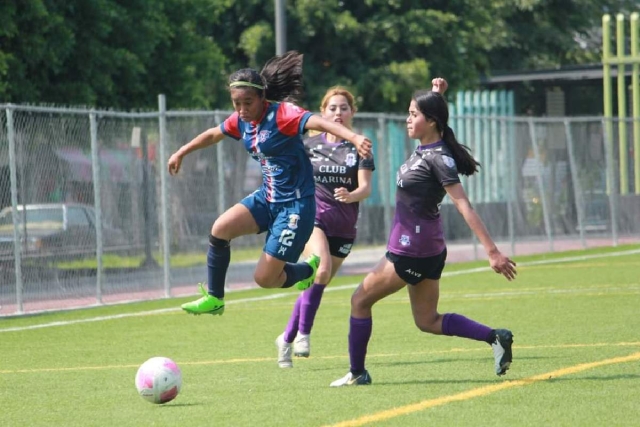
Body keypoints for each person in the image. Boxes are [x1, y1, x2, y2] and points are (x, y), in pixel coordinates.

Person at [329, 78, 517, 387]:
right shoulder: (428, 146)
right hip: (429, 247)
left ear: (431, 121)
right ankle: (495, 337)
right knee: (427, 321)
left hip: (411, 248)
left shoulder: (437, 158)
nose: (407, 119)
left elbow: (463, 204)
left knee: (359, 301)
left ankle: (357, 373)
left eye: (414, 114)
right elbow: (436, 120)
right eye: (409, 112)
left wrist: (492, 251)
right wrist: (437, 96)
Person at [167, 51, 372, 316]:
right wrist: (181, 151)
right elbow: (212, 134)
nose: (242, 110)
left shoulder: (283, 114)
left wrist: (353, 138)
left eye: (247, 103)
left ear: (262, 97)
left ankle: (307, 270)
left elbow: (318, 121)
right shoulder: (241, 121)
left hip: (295, 207)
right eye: (236, 103)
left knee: (264, 279)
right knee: (220, 229)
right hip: (267, 198)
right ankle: (215, 298)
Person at [275, 86, 375, 368]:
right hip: (313, 219)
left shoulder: (361, 146)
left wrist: (351, 195)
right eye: (332, 108)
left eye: (343, 108)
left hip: (343, 227)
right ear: (323, 112)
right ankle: (304, 335)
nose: (338, 113)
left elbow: (366, 187)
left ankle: (285, 338)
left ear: (352, 112)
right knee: (321, 268)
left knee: (316, 282)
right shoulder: (308, 144)